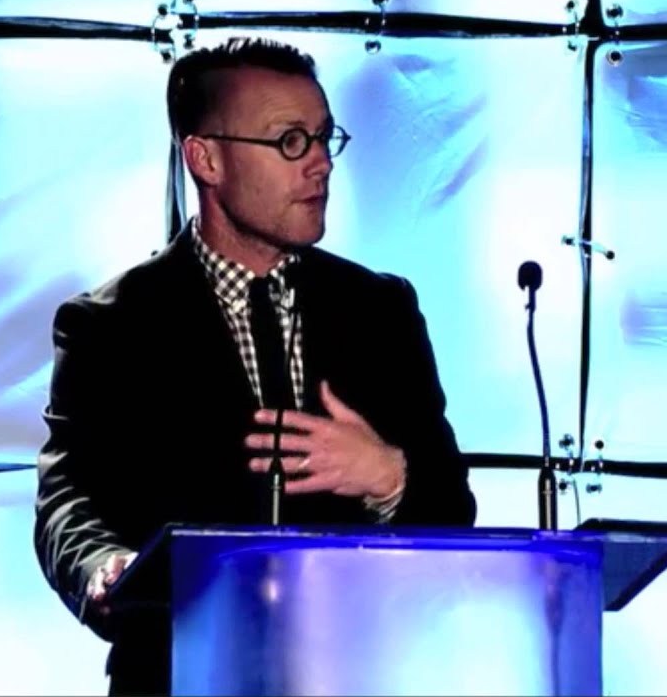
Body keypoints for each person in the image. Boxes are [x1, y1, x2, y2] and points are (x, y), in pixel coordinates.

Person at [33, 36, 478, 696]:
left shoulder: (380, 311)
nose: (320, 164)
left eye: (325, 138)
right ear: (206, 159)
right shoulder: (112, 325)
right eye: (291, 141)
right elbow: (68, 499)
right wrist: (104, 567)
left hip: (353, 675)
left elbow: (452, 512)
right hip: (178, 673)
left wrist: (387, 476)